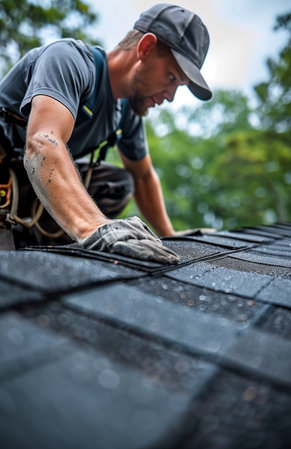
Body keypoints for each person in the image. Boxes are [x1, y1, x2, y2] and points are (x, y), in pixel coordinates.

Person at [0, 3, 212, 263]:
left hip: (31, 191)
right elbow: (43, 143)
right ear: (145, 48)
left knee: (118, 184)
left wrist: (170, 235)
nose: (170, 96)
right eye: (171, 78)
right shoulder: (69, 60)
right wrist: (95, 228)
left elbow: (143, 177)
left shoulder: (127, 110)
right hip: (6, 179)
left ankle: (41, 253)